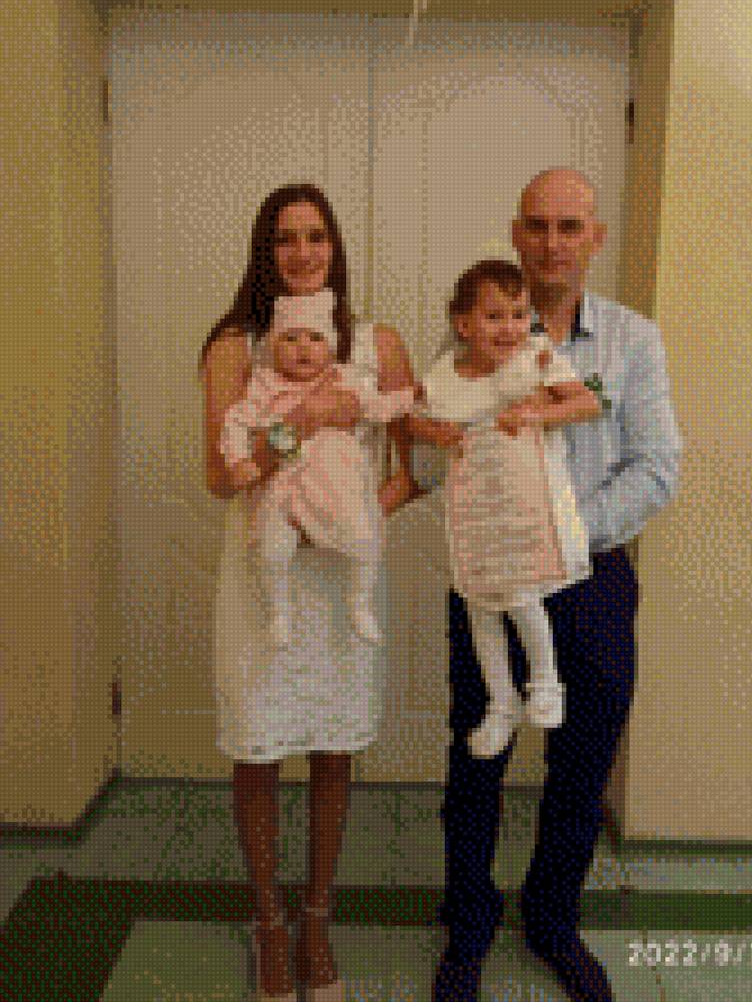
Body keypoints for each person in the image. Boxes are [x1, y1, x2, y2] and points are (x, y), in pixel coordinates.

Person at [430, 169, 681, 1002]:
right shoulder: (479, 332)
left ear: (594, 237)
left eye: (569, 226)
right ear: (515, 233)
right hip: (492, 579)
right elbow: (437, 452)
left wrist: (563, 536)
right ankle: (468, 925)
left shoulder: (632, 341)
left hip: (593, 577)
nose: (551, 243)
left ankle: (552, 922)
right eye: (536, 225)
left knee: (581, 763)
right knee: (477, 756)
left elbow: (657, 466)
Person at [201, 183, 417, 1002]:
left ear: (335, 247)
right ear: (265, 251)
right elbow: (221, 476)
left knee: (333, 747)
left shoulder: (376, 343)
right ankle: (268, 921)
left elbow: (414, 468)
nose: (301, 253)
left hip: (340, 578)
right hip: (266, 576)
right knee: (257, 748)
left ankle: (317, 919)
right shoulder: (237, 347)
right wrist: (307, 421)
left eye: (315, 237)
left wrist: (357, 520)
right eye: (285, 238)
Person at [410, 259, 600, 759]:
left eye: (519, 315)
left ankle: (546, 681)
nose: (510, 328)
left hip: (525, 508)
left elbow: (587, 403)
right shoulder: (445, 376)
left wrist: (538, 412)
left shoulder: (536, 360)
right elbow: (413, 418)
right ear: (463, 324)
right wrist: (437, 432)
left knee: (520, 595)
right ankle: (501, 702)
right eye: (495, 316)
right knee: (480, 604)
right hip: (476, 511)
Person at [221, 289, 417, 648]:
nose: (303, 347)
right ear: (272, 347)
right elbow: (235, 420)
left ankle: (360, 602)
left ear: (330, 347)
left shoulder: (343, 380)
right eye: (290, 338)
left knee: (365, 539)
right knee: (272, 547)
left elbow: (378, 406)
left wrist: (414, 395)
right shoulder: (264, 386)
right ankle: (278, 612)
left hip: (336, 485)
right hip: (285, 487)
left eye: (315, 338)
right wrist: (238, 460)